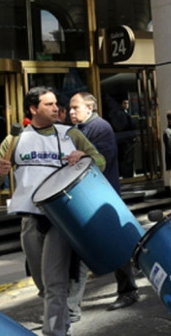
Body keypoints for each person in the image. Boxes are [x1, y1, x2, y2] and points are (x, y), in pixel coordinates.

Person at [0, 86, 105, 336]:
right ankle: (62, 321)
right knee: (43, 284)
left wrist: (84, 157)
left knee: (54, 283)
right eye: (49, 105)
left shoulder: (72, 135)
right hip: (30, 219)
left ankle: (55, 332)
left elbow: (100, 160)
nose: (57, 109)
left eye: (57, 104)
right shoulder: (15, 139)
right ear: (33, 109)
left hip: (61, 218)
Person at [68, 92, 141, 315]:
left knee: (115, 245)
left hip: (101, 197)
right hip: (84, 197)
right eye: (69, 108)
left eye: (76, 107)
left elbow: (103, 160)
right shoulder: (77, 129)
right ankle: (71, 307)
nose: (71, 112)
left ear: (90, 107)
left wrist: (83, 155)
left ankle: (128, 289)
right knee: (79, 249)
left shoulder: (101, 127)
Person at [111, 98, 137, 178]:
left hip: (126, 139)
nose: (126, 105)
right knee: (127, 159)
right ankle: (128, 176)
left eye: (127, 103)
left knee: (127, 158)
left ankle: (128, 175)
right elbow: (124, 126)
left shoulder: (124, 113)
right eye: (124, 103)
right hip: (125, 140)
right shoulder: (120, 114)